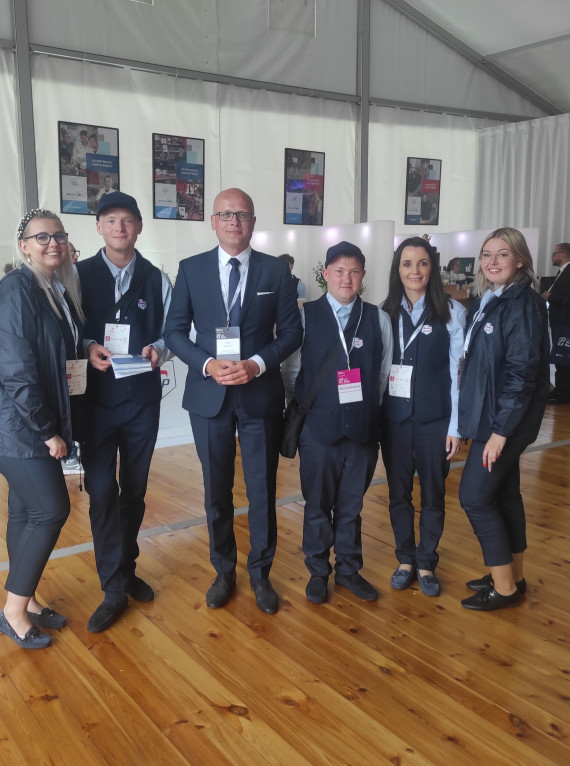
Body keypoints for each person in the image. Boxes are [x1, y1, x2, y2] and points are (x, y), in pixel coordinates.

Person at [163, 188, 302, 615]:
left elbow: (292, 333)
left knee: (262, 490)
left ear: (253, 222)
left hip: (259, 394)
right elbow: (173, 333)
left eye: (242, 215)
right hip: (210, 396)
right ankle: (223, 571)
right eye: (226, 214)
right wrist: (206, 364)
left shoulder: (275, 271)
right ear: (213, 221)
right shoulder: (191, 269)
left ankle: (260, 573)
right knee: (216, 490)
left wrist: (257, 364)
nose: (234, 222)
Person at [0, 209, 86, 649]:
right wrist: (47, 430)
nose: (52, 243)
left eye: (58, 235)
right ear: (23, 246)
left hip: (24, 422)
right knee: (51, 510)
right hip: (14, 425)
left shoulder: (53, 287)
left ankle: (27, 599)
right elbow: (16, 370)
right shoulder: (17, 290)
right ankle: (13, 612)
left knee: (25, 511)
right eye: (41, 237)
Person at [77, 192, 172, 633]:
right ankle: (112, 587)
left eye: (128, 220)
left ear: (139, 227)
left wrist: (160, 350)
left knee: (134, 491)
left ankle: (126, 569)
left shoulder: (156, 278)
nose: (119, 227)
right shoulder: (76, 276)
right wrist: (86, 346)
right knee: (101, 493)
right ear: (99, 227)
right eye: (111, 220)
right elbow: (65, 330)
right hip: (95, 403)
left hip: (140, 402)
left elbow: (175, 330)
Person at [289, 241, 392, 604]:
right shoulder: (305, 316)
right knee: (317, 504)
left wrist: (365, 410)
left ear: (362, 275)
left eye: (354, 271)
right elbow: (292, 371)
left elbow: (383, 374)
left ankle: (348, 570)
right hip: (318, 430)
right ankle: (318, 571)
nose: (346, 279)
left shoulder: (378, 318)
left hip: (362, 431)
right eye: (338, 271)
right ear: (325, 275)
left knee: (352, 506)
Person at [457, 228, 549, 611]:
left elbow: (521, 373)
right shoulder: (493, 299)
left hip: (504, 420)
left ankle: (504, 589)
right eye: (486, 255)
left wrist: (500, 432)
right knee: (505, 494)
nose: (492, 262)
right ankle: (512, 575)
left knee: (474, 497)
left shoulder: (522, 304)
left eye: (503, 254)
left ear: (521, 260)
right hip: (494, 415)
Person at [379, 237, 465, 597]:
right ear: (397, 270)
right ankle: (405, 558)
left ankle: (427, 560)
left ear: (433, 268)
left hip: (435, 420)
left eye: (423, 263)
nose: (415, 271)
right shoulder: (383, 312)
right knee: (398, 493)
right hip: (394, 421)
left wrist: (456, 427)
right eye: (407, 263)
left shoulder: (452, 311)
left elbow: (459, 373)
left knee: (433, 493)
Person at [541, 242, 570, 403]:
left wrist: (550, 296)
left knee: (565, 356)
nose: (552, 257)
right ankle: (560, 389)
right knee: (560, 357)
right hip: (559, 321)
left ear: (563, 255)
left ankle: (566, 394)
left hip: (566, 321)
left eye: (554, 253)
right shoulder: (563, 272)